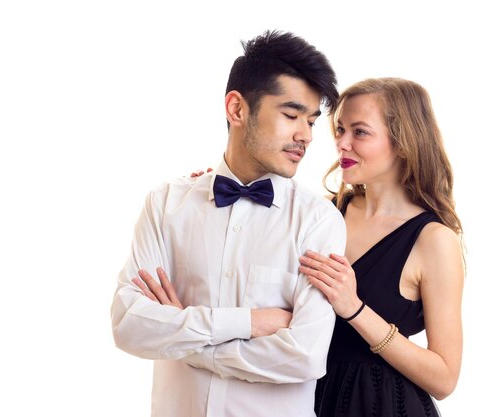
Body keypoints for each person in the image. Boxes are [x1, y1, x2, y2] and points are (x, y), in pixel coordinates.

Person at [110, 30, 347, 417]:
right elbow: (129, 326)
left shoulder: (318, 222)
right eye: (290, 115)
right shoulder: (166, 204)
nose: (304, 135)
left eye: (311, 121)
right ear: (237, 109)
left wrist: (183, 336)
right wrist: (250, 323)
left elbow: (304, 357)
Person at [298, 77, 464, 416]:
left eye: (359, 132)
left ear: (403, 143)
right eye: (339, 129)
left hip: (385, 406)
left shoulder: (434, 241)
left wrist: (355, 309)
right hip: (306, 399)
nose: (342, 144)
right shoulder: (321, 214)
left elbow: (445, 378)